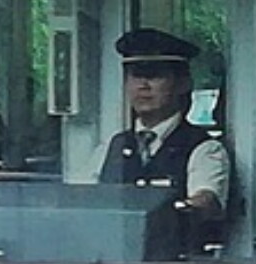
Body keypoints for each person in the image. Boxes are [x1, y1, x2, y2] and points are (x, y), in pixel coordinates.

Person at [98, 30, 233, 239]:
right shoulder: (112, 145)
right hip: (114, 262)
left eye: (154, 76)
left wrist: (182, 209)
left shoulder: (204, 148)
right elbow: (80, 200)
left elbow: (206, 202)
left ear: (182, 84)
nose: (143, 86)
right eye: (136, 76)